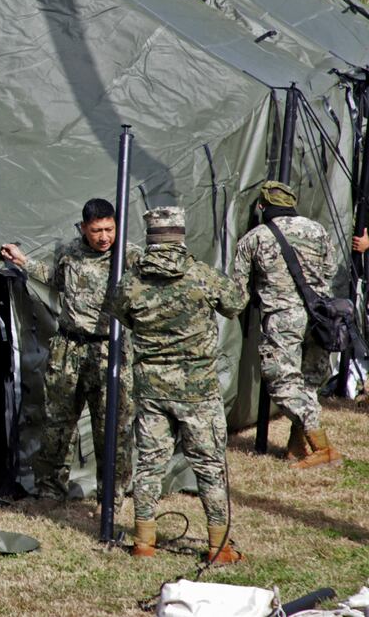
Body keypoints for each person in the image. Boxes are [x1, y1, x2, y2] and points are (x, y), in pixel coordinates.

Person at [104, 207, 248, 564]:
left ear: (150, 236)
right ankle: (218, 547)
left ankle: (143, 541)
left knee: (150, 465)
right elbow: (236, 304)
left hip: (151, 388)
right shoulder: (202, 276)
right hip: (197, 391)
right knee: (209, 466)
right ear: (181, 234)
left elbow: (120, 313)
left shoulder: (131, 281)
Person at [0, 198, 139, 522]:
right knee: (56, 424)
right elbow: (55, 279)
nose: (104, 237)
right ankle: (50, 491)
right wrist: (23, 262)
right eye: (96, 231)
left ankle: (113, 497)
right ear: (84, 229)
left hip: (110, 349)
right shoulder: (70, 252)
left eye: (109, 229)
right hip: (69, 350)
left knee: (113, 428)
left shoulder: (129, 257)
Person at [232, 180, 340, 468]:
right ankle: (297, 447)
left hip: (282, 317)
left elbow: (238, 293)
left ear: (262, 206)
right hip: (321, 316)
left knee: (281, 382)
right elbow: (331, 269)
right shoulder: (317, 229)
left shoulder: (254, 239)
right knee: (306, 382)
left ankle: (324, 448)